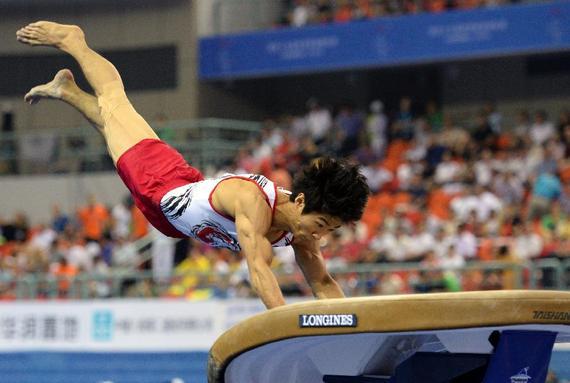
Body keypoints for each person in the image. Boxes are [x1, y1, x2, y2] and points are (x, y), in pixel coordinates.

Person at [16, 21, 370, 309]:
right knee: (114, 105)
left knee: (114, 125)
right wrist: (283, 327)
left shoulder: (302, 232)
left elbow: (322, 283)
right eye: (321, 224)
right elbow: (259, 270)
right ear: (302, 202)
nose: (320, 236)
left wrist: (347, 330)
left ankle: (69, 91)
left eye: (330, 231)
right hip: (161, 187)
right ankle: (75, 42)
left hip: (179, 203)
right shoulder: (254, 203)